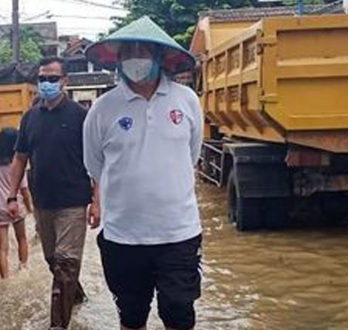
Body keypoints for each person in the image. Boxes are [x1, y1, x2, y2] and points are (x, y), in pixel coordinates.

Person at [83, 16, 204, 330]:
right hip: (123, 236)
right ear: (118, 60)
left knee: (179, 313)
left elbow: (190, 156)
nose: (135, 58)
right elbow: (95, 165)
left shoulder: (187, 101)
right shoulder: (103, 109)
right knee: (131, 316)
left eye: (143, 50)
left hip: (178, 233)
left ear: (160, 57)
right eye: (127, 51)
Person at [7, 57, 97, 330]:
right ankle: (76, 296)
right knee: (52, 260)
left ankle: (58, 325)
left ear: (65, 82)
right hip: (43, 202)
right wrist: (12, 196)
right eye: (42, 78)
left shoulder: (81, 116)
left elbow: (96, 161)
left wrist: (97, 201)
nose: (47, 83)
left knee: (66, 263)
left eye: (52, 78)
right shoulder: (30, 118)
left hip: (73, 202)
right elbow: (20, 158)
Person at [0, 127, 33, 279]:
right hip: (16, 206)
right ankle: (23, 268)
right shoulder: (17, 165)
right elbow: (24, 191)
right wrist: (30, 208)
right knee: (22, 238)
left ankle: (5, 278)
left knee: (2, 247)